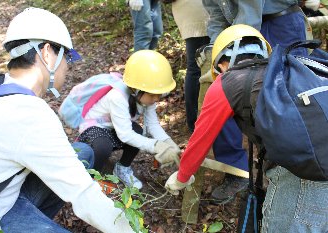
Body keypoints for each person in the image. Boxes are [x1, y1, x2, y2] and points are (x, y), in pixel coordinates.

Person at [0, 7, 136, 233]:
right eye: (67, 57)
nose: (67, 67)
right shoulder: (30, 113)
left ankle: (34, 220)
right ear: (47, 53)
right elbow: (82, 193)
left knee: (82, 152)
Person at [165, 24, 328, 232]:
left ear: (221, 64)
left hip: (306, 174)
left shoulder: (228, 81)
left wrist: (181, 178)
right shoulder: (284, 72)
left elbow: (200, 140)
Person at [192, 0, 313, 205]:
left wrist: (235, 57)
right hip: (237, 31)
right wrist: (214, 52)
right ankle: (236, 169)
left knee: (293, 98)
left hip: (280, 24)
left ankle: (303, 169)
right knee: (224, 91)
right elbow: (216, 17)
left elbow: (250, 13)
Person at [73, 50, 181, 190]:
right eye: (153, 95)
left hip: (114, 128)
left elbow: (152, 125)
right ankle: (91, 178)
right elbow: (125, 135)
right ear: (136, 89)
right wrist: (156, 146)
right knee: (102, 146)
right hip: (94, 129)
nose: (156, 99)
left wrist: (168, 143)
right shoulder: (117, 97)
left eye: (159, 95)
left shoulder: (147, 94)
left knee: (138, 130)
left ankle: (122, 168)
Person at [171, 0, 210, 133]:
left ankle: (195, 121)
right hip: (198, 11)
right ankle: (196, 123)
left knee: (196, 68)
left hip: (191, 10)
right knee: (198, 68)